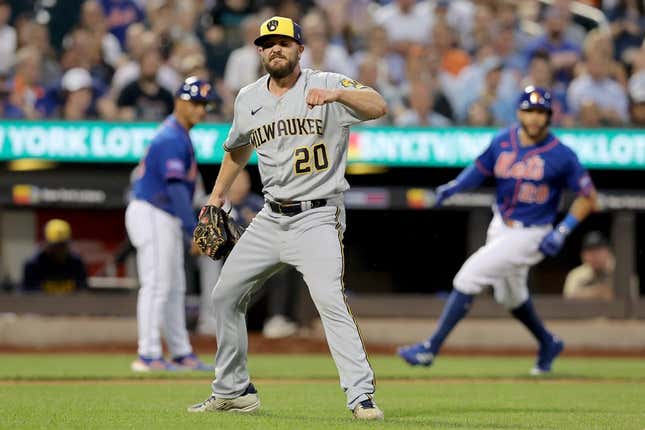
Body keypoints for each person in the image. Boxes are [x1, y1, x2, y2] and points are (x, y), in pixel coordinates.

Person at [187, 16, 387, 420]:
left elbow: (377, 105)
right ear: (259, 52)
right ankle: (233, 391)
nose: (275, 49)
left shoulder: (326, 81)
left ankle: (360, 395)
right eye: (267, 44)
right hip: (270, 217)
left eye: (283, 42)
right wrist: (217, 194)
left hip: (317, 216)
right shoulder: (248, 97)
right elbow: (237, 148)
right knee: (224, 296)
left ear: (299, 48)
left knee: (330, 300)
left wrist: (334, 97)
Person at [398, 86, 598, 375]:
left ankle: (431, 347)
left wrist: (563, 231)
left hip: (532, 232)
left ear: (549, 116)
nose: (534, 118)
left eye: (541, 112)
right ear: (519, 112)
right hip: (501, 223)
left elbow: (590, 197)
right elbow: (479, 169)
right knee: (510, 297)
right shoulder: (503, 141)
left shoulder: (561, 154)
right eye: (529, 111)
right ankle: (548, 342)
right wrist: (455, 186)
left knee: (468, 277)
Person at [125, 76, 215, 373]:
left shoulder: (180, 134)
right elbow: (176, 189)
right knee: (156, 285)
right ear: (179, 102)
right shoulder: (170, 137)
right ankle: (148, 354)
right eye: (195, 103)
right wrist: (194, 230)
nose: (200, 110)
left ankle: (180, 352)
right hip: (152, 211)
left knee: (174, 286)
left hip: (164, 215)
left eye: (204, 104)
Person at [21, 219, 88, 294]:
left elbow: (82, 292)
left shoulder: (77, 264)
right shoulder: (33, 265)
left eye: (62, 245)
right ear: (46, 243)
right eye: (55, 246)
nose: (59, 250)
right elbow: (28, 296)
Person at [563, 231, 615, 301]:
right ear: (583, 256)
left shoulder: (620, 270)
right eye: (590, 252)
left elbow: (631, 298)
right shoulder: (576, 274)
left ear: (608, 252)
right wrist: (597, 292)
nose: (595, 256)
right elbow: (568, 299)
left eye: (599, 251)